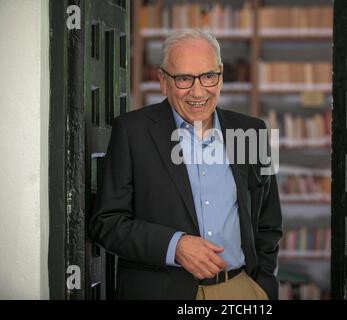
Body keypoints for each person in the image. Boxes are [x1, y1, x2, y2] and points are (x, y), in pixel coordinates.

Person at [89, 29, 283, 300]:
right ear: (162, 80)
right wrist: (174, 245)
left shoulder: (253, 132)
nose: (198, 90)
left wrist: (262, 286)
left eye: (208, 76)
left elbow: (268, 222)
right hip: (160, 292)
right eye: (183, 78)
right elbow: (106, 223)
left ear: (220, 75)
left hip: (239, 290)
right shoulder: (132, 131)